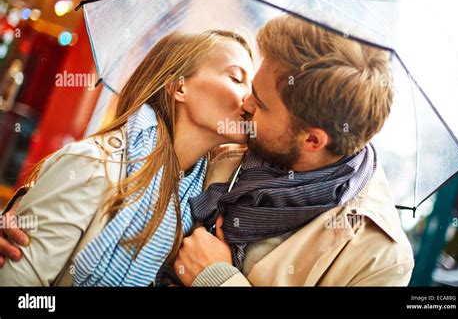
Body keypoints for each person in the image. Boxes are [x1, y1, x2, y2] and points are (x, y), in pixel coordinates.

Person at [171, 15, 415, 286]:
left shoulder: (379, 259)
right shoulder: (225, 141)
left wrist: (218, 280)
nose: (246, 104)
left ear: (312, 140)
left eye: (262, 105)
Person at [0, 29, 254, 286]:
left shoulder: (200, 204)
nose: (251, 99)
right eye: (236, 78)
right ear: (179, 87)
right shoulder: (92, 166)